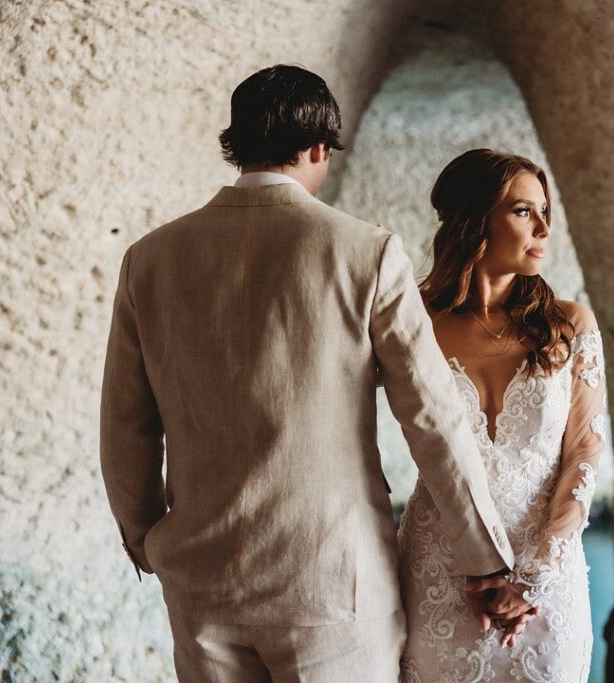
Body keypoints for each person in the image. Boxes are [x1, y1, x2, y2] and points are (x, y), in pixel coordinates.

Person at [99, 65, 515, 682]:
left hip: (199, 576)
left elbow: (127, 421)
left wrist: (146, 538)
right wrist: (483, 560)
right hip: (331, 581)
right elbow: (430, 413)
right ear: (319, 147)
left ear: (236, 143)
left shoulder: (150, 259)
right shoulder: (364, 251)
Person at [398, 149, 608, 682]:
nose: (543, 227)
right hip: (440, 574)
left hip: (547, 578)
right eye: (522, 212)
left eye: (543, 211)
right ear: (475, 222)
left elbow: (584, 451)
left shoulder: (569, 324)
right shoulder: (413, 322)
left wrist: (535, 577)